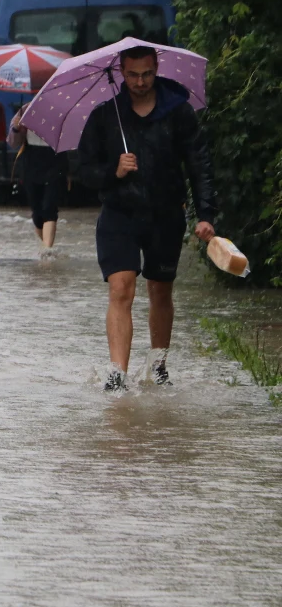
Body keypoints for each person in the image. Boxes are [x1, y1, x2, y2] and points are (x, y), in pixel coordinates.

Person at [77, 46, 217, 392]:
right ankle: (117, 374)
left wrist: (206, 214)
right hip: (118, 215)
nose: (140, 82)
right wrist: (114, 171)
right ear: (121, 72)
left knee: (160, 290)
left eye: (147, 74)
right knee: (121, 288)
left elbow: (199, 165)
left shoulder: (179, 113)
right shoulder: (105, 116)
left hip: (166, 214)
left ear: (157, 69)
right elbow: (82, 172)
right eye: (133, 74)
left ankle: (158, 365)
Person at [9, 103, 69, 253]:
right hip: (31, 162)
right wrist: (17, 128)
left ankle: (47, 251)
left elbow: (72, 137)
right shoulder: (24, 110)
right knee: (37, 211)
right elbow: (12, 142)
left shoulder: (63, 109)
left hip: (55, 161)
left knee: (49, 207)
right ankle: (46, 248)